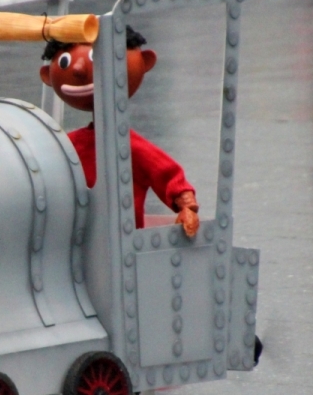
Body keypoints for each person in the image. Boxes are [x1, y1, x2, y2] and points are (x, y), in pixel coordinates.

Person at [40, 26, 200, 238]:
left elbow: (165, 172)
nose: (78, 69)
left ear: (144, 62)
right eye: (65, 62)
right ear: (47, 75)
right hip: (74, 238)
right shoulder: (67, 144)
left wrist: (186, 206)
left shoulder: (128, 146)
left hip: (122, 239)